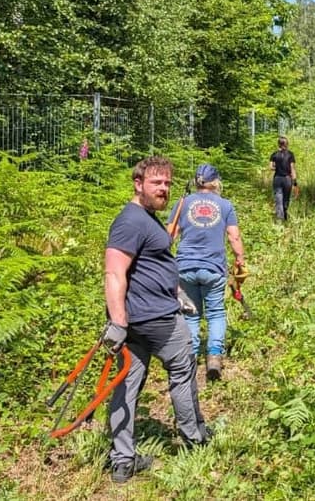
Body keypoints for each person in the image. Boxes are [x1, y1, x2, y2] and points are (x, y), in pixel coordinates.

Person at [103, 156, 211, 484]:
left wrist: (176, 290)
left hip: (143, 317)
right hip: (156, 319)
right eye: (156, 183)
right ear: (138, 184)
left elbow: (148, 265)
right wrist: (118, 323)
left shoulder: (145, 218)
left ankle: (122, 461)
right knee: (182, 371)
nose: (163, 189)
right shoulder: (130, 221)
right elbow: (114, 273)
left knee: (127, 384)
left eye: (167, 183)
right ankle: (196, 440)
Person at [171, 163, 245, 380]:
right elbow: (233, 236)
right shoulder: (225, 205)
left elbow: (170, 234)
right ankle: (214, 357)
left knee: (191, 314)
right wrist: (240, 259)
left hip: (185, 267)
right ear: (215, 182)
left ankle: (190, 357)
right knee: (215, 313)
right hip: (213, 268)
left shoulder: (182, 203)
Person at [269, 135, 297, 221]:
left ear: (278, 144)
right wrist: (295, 181)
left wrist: (277, 167)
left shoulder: (274, 154)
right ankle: (285, 214)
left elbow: (271, 167)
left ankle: (279, 218)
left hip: (277, 179)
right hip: (287, 179)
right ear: (287, 144)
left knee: (278, 198)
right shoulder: (290, 154)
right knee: (286, 198)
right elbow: (292, 168)